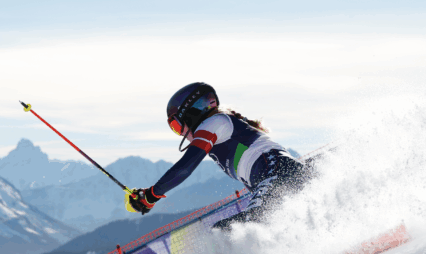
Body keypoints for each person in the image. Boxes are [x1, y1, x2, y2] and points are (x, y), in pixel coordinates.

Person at [125, 82, 309, 229]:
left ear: (190, 114)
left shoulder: (213, 123)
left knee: (227, 233)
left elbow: (185, 167)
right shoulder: (223, 124)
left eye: (176, 126)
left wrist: (151, 195)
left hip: (278, 172)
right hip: (282, 173)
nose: (181, 134)